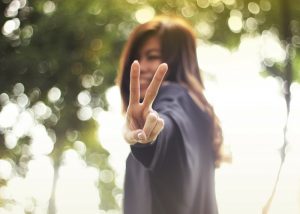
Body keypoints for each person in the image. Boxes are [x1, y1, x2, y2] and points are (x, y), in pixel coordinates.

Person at [116, 15, 226, 214]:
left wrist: (150, 136)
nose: (141, 66)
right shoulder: (202, 114)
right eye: (137, 58)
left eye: (152, 56)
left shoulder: (173, 97)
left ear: (177, 60)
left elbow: (170, 123)